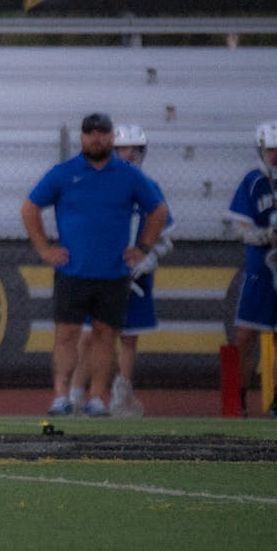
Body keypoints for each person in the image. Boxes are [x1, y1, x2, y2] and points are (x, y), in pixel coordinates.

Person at [21, 112, 168, 417]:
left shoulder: (128, 175)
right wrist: (45, 248)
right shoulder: (64, 173)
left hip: (113, 272)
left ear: (111, 137)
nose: (96, 138)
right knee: (66, 334)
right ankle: (61, 395)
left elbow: (158, 210)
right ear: (82, 137)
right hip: (72, 270)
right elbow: (30, 207)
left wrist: (142, 248)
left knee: (105, 335)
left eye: (102, 132)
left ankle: (98, 397)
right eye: (90, 133)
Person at [71, 124, 175, 417]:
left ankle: (121, 392)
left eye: (128, 149)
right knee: (91, 334)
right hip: (102, 273)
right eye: (117, 149)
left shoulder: (149, 187)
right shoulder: (97, 185)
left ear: (140, 152)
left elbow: (164, 237)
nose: (122, 154)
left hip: (136, 274)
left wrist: (147, 258)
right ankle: (76, 394)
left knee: (129, 336)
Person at [225, 120, 277, 417]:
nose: (274, 156)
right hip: (260, 268)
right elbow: (241, 225)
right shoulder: (254, 180)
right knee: (245, 335)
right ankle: (238, 399)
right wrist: (262, 235)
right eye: (270, 150)